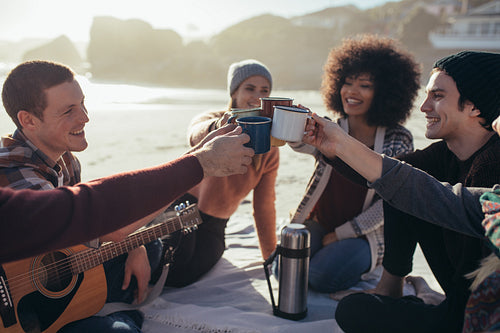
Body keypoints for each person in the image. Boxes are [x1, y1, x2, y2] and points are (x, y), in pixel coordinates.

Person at [0, 60, 249, 333]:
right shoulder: (15, 176)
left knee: (151, 246)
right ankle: (120, 315)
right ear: (28, 120)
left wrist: (132, 243)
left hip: (61, 279)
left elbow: (89, 224)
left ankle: (113, 306)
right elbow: (91, 220)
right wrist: (200, 162)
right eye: (68, 110)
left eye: (83, 103)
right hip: (24, 317)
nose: (84, 117)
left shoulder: (65, 159)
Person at [306, 50, 500, 332]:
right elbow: (389, 174)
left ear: (473, 106)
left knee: (353, 311)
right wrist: (332, 148)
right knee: (403, 184)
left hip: (475, 315)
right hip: (457, 293)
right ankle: (390, 286)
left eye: (437, 96)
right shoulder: (444, 155)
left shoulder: (492, 165)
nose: (424, 107)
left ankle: (426, 301)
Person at [288, 35, 420, 293]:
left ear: (384, 92)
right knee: (287, 268)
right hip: (319, 221)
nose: (352, 91)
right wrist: (295, 125)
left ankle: (364, 263)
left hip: (364, 235)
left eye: (365, 85)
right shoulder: (334, 128)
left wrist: (342, 234)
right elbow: (301, 144)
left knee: (318, 276)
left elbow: (389, 204)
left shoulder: (398, 139)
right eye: (347, 83)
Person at [163, 59, 279, 287]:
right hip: (183, 206)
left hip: (216, 223)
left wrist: (270, 258)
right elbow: (195, 135)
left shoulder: (269, 147)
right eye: (250, 88)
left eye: (264, 91)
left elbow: (264, 207)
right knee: (174, 256)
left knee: (186, 275)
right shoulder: (213, 120)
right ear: (235, 93)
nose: (257, 95)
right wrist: (220, 128)